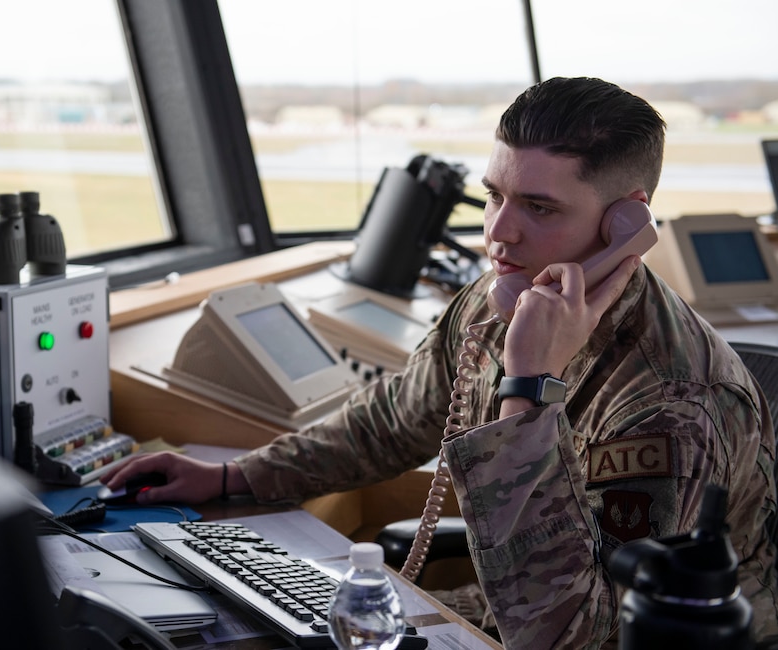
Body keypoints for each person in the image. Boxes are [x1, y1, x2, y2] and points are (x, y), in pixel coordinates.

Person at [101, 77, 778, 648]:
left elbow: (576, 635)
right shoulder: (502, 294)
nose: (497, 233)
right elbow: (388, 424)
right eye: (493, 195)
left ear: (624, 224)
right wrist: (230, 479)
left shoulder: (675, 401)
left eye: (538, 207)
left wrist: (527, 388)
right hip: (513, 606)